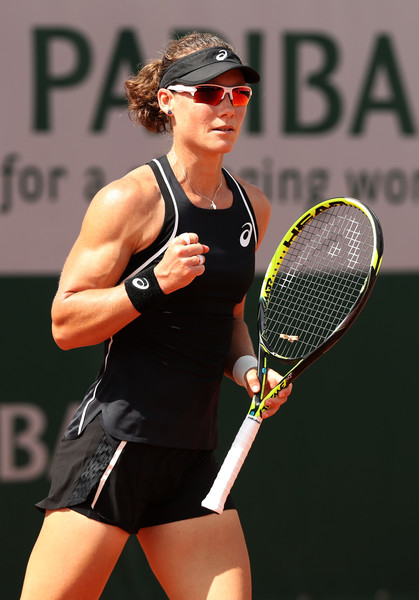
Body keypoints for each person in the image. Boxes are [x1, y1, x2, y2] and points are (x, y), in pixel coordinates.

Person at [20, 31, 292, 600]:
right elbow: (65, 324)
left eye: (238, 95)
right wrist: (152, 283)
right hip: (116, 444)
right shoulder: (130, 200)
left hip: (192, 456)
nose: (226, 107)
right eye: (208, 94)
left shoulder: (253, 208)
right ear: (168, 100)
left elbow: (228, 318)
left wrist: (247, 368)